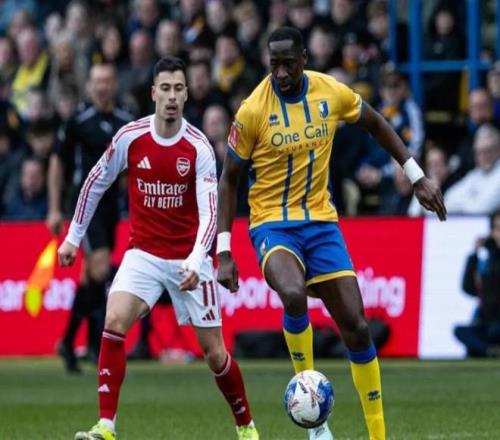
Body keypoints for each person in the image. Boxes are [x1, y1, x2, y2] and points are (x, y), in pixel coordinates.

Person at [216, 27, 446, 440]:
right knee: (292, 294)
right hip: (272, 222)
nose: (281, 73)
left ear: (304, 59)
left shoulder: (330, 92)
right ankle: (315, 420)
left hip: (322, 223)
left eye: (288, 64)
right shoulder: (252, 111)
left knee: (357, 326)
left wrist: (416, 176)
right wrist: (225, 251)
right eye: (274, 65)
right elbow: (229, 179)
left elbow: (376, 123)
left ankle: (378, 435)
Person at [57, 56, 259, 440]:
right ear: (153, 93)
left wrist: (198, 260)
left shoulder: (198, 147)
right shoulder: (130, 137)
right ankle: (106, 426)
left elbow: (210, 211)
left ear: (186, 95)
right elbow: (95, 181)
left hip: (188, 257)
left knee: (215, 353)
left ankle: (246, 426)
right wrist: (73, 237)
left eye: (178, 89)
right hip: (144, 255)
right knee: (114, 320)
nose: (171, 96)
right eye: (164, 88)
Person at [46, 63, 133, 373]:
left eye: (107, 81)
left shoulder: (125, 121)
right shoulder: (78, 122)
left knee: (90, 277)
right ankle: (96, 342)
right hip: (84, 206)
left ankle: (69, 342)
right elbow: (57, 163)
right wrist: (54, 208)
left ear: (114, 84)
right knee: (100, 266)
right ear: (89, 86)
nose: (102, 87)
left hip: (110, 209)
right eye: (97, 81)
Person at [454, 209, 500, 358]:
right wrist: (474, 254)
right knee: (460, 331)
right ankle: (490, 351)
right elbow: (468, 288)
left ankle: (486, 349)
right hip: (487, 322)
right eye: (497, 229)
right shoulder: (486, 260)